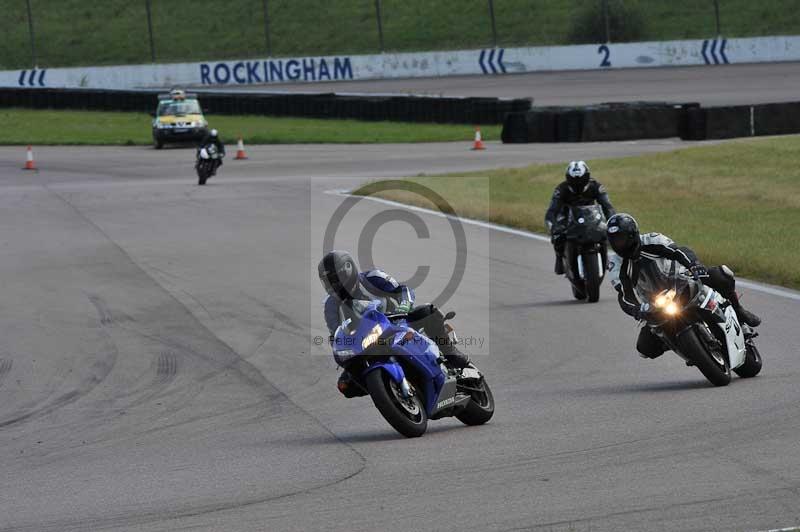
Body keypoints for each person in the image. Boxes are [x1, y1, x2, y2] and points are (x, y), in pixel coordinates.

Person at [605, 213, 761, 359]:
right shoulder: (615, 264)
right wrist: (636, 309)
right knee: (644, 348)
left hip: (682, 281)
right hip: (656, 303)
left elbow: (679, 251)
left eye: (621, 238)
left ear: (632, 235)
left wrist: (694, 265)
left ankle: (739, 310)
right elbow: (624, 295)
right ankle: (678, 344)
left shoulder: (653, 240)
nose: (619, 244)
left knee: (721, 274)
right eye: (615, 240)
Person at [317, 250, 470, 397]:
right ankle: (385, 388)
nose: (332, 286)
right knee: (345, 385)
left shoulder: (372, 277)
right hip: (368, 341)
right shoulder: (330, 305)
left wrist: (404, 305)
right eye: (328, 282)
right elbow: (335, 333)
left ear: (347, 271)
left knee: (427, 311)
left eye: (335, 280)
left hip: (399, 322)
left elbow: (403, 290)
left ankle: (451, 354)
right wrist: (342, 347)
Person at [545, 161, 616, 275]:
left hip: (591, 216)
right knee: (558, 234)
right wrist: (553, 226)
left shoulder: (596, 187)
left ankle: (605, 254)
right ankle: (559, 256)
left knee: (605, 231)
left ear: (587, 177)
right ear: (568, 179)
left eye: (581, 181)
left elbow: (608, 207)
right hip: (568, 218)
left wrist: (611, 221)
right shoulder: (561, 189)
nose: (578, 184)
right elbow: (552, 211)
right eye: (574, 182)